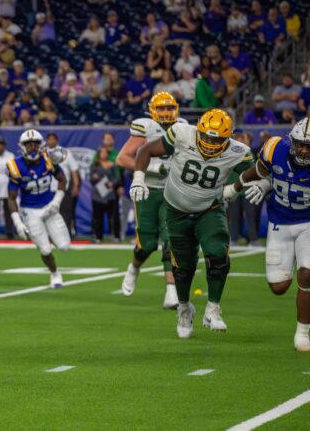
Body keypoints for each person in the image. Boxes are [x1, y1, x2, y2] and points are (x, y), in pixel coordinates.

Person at [131, 109, 254, 338]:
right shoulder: (181, 133)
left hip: (209, 209)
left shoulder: (238, 151)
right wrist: (139, 179)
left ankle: (213, 308)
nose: (209, 142)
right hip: (176, 211)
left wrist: (246, 186)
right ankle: (184, 308)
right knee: (182, 267)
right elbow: (145, 150)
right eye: (206, 137)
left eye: (216, 139)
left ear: (227, 138)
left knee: (218, 252)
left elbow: (254, 172)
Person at [229, 118, 310, 351]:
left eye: (309, 146)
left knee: (307, 274)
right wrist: (238, 187)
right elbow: (261, 171)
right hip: (279, 221)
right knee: (279, 286)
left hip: (307, 222)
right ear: (291, 142)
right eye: (300, 144)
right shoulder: (275, 148)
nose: (304, 150)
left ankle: (302, 332)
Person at [116, 92, 184, 308]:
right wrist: (153, 167)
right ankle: (134, 268)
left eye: (169, 108)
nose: (165, 113)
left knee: (171, 239)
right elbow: (122, 158)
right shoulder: (145, 126)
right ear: (152, 109)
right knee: (146, 244)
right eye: (161, 108)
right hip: (148, 190)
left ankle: (171, 292)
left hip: (171, 191)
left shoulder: (182, 126)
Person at [7, 129, 69, 288]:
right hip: (30, 211)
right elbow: (12, 197)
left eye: (35, 144)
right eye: (29, 145)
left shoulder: (48, 160)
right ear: (22, 147)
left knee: (64, 246)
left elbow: (62, 179)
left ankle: (47, 237)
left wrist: (57, 201)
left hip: (49, 207)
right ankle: (55, 274)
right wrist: (18, 222)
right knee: (45, 250)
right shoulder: (15, 166)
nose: (33, 148)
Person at [46, 133, 80, 235]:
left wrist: (76, 185)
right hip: (47, 188)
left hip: (63, 188)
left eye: (53, 139)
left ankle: (67, 234)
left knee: (65, 212)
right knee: (48, 213)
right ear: (47, 141)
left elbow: (74, 170)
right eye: (49, 139)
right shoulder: (43, 153)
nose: (51, 141)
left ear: (57, 140)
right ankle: (50, 234)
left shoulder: (66, 153)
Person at [90, 147, 120, 242]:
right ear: (99, 154)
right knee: (97, 217)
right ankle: (98, 237)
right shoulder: (95, 165)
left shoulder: (112, 165)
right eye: (102, 152)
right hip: (97, 195)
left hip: (110, 194)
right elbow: (90, 178)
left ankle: (115, 236)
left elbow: (117, 178)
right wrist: (94, 177)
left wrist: (112, 183)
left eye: (106, 152)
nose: (104, 154)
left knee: (113, 217)